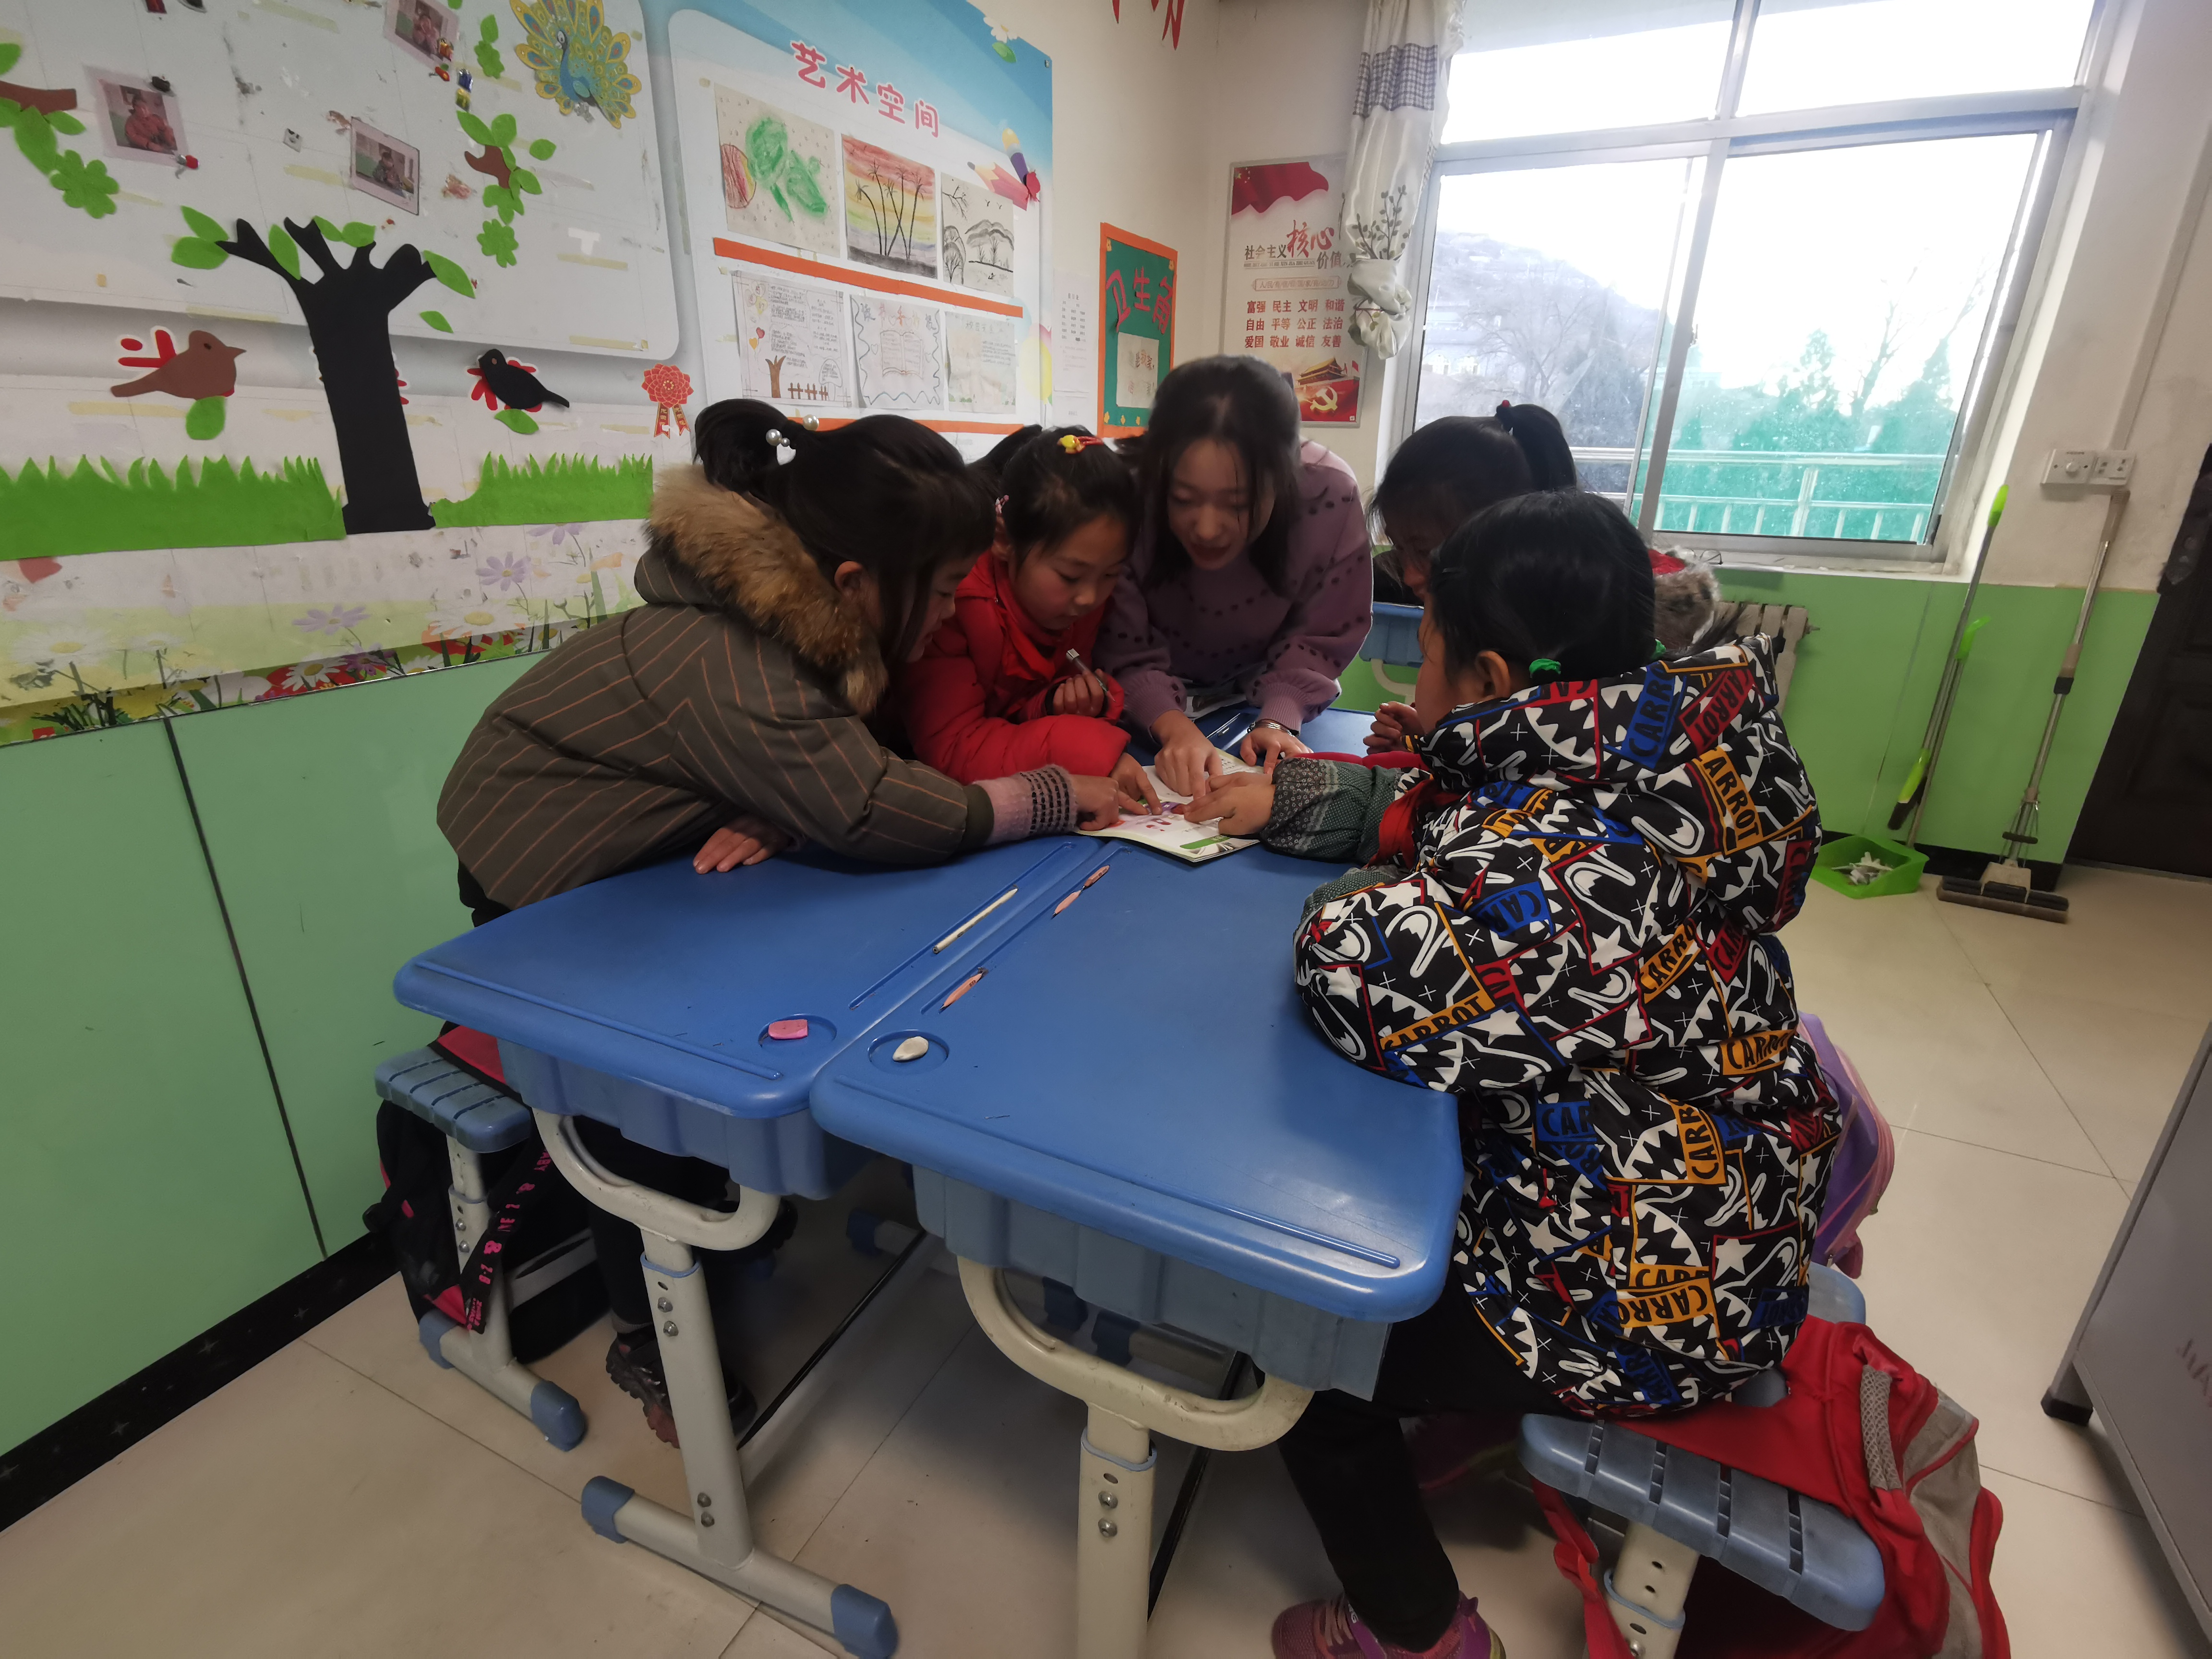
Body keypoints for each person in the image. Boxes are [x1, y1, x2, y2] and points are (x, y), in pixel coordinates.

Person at [1187, 490, 1837, 1659]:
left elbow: (1358, 974)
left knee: (1301, 1360)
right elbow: (1442, 816)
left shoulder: (1557, 855)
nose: (1414, 679)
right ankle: (1469, 1412)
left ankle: (1416, 1633)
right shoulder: (1659, 759)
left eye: (1426, 650)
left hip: (1645, 1293)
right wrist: (1316, 805)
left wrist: (1358, 892)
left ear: (1488, 678)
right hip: (1727, 1208)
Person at [437, 401, 1142, 1443]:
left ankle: (721, 1226)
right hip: (541, 872)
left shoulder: (801, 623)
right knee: (626, 1103)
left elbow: (828, 762)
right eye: (942, 592)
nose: (950, 615)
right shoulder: (730, 657)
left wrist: (776, 793)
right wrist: (1048, 794)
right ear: (856, 582)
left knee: (699, 1046)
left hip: (643, 865)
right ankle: (646, 1329)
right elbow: (865, 802)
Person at [1095, 355, 1372, 794]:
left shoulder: (1328, 495)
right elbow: (1123, 646)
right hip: (1135, 711)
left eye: (1238, 504)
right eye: (1183, 499)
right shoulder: (1127, 491)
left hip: (1254, 701)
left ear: (1285, 479)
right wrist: (1173, 727)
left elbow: (1322, 634)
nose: (1207, 529)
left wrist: (1279, 718)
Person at [904, 428, 1158, 797]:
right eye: (1070, 576)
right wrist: (1089, 750)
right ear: (1004, 541)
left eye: (1110, 575)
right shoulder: (950, 604)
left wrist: (1054, 701)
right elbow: (954, 747)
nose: (1089, 598)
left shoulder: (1074, 601)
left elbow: (1023, 699)